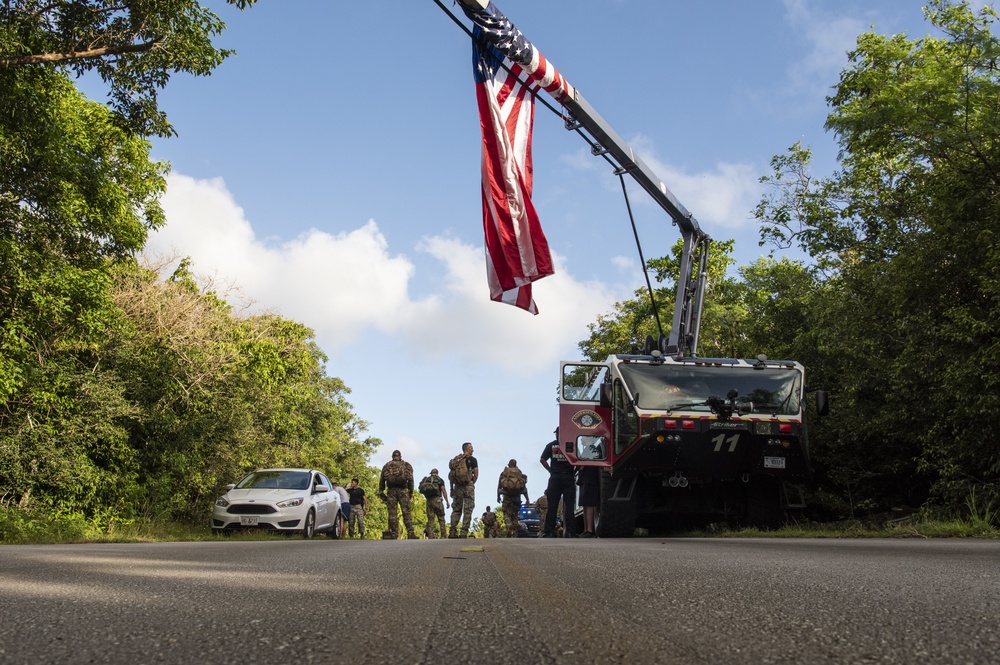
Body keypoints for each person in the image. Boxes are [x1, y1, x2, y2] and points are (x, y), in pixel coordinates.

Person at [540, 429, 576, 537]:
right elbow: (579, 460)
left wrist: (550, 470)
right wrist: (574, 471)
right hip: (568, 476)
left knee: (552, 506)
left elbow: (542, 459)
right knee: (569, 505)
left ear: (557, 434)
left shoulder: (551, 445)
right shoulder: (572, 445)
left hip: (555, 477)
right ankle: (570, 531)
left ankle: (549, 531)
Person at [379, 449, 417, 540]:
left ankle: (394, 534)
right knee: (406, 512)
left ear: (392, 456)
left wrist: (381, 493)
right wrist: (411, 492)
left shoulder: (386, 466)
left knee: (392, 514)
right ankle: (410, 533)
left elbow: (382, 481)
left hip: (391, 491)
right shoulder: (406, 465)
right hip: (403, 491)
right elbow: (411, 480)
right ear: (400, 456)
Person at [448, 442, 479, 538]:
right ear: (467, 449)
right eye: (471, 448)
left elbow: (451, 475)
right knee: (468, 509)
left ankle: (452, 531)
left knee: (456, 509)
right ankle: (463, 532)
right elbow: (476, 474)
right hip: (468, 486)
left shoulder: (456, 460)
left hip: (457, 487)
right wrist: (472, 483)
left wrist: (451, 489)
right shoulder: (472, 460)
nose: (473, 450)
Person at [497, 459, 529, 538]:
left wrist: (498, 496)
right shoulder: (519, 473)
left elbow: (499, 485)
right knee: (515, 515)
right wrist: (527, 499)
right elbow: (524, 487)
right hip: (517, 497)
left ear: (509, 464)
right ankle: (514, 534)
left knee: (506, 514)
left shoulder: (504, 472)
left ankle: (509, 526)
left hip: (507, 496)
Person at [419, 468, 450, 539]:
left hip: (429, 501)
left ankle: (430, 536)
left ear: (431, 473)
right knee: (441, 518)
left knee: (430, 519)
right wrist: (447, 501)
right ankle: (443, 535)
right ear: (437, 473)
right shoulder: (440, 480)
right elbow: (443, 490)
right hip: (437, 500)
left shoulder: (426, 480)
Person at [576, 465, 600, 538]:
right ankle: (586, 530)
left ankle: (589, 530)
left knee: (589, 504)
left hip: (589, 478)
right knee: (585, 504)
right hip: (585, 478)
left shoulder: (588, 455)